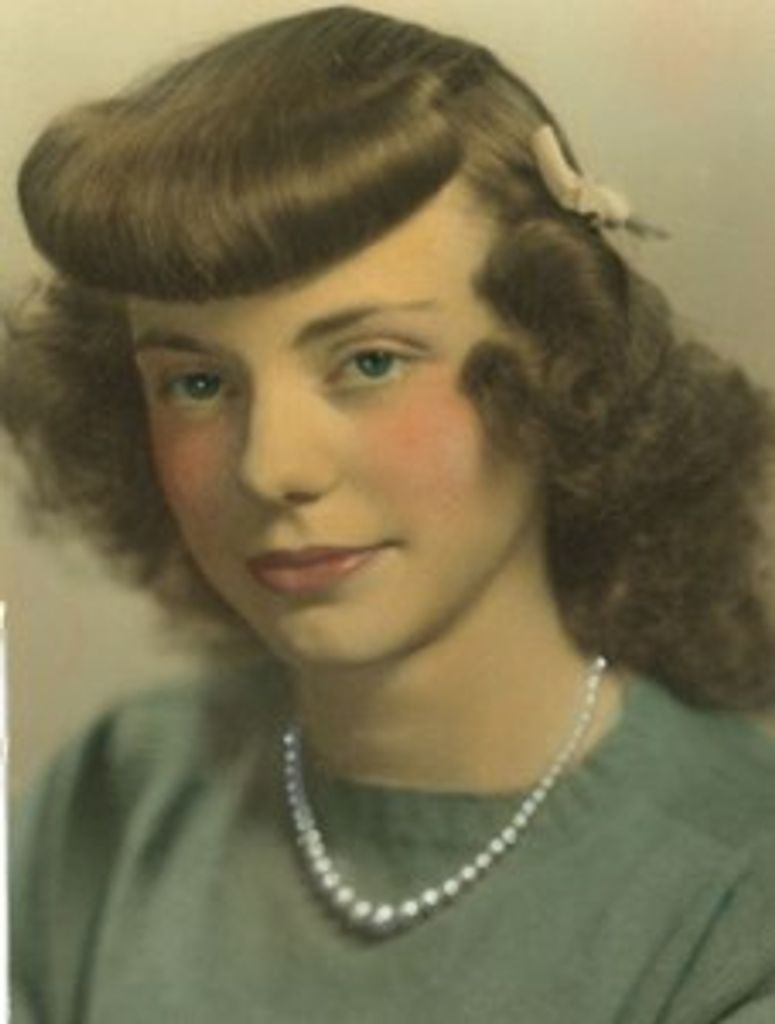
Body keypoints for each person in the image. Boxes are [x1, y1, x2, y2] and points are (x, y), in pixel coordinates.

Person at [3, 6, 775, 1022]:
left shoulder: (736, 895)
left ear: (558, 362)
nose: (270, 468)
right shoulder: (114, 797)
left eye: (369, 361)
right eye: (196, 382)